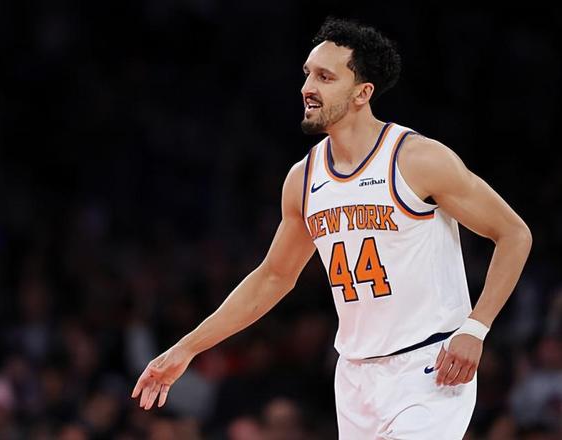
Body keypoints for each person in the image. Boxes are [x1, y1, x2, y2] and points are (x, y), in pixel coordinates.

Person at [131, 17, 532, 439]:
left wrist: (476, 327)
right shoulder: (303, 178)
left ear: (362, 93)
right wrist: (187, 347)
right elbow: (272, 277)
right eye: (307, 74)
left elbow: (513, 234)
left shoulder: (417, 159)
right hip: (355, 376)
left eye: (325, 77)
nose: (308, 87)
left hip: (430, 364)